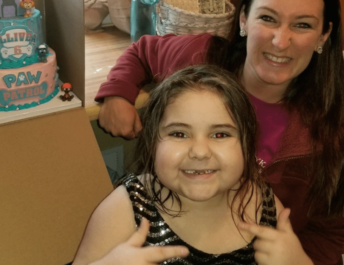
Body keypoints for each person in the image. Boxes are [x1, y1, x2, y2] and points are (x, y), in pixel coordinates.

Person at [94, 0, 344, 264]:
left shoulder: (333, 125)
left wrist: (298, 260)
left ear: (324, 34)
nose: (280, 41)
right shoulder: (200, 58)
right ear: (244, 20)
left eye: (302, 25)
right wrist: (117, 93)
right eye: (268, 18)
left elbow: (330, 230)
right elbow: (143, 51)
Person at [73, 65, 314, 265]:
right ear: (152, 143)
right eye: (179, 134)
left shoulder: (265, 205)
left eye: (220, 134)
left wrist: (298, 261)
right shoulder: (126, 208)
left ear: (247, 145)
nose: (199, 152)